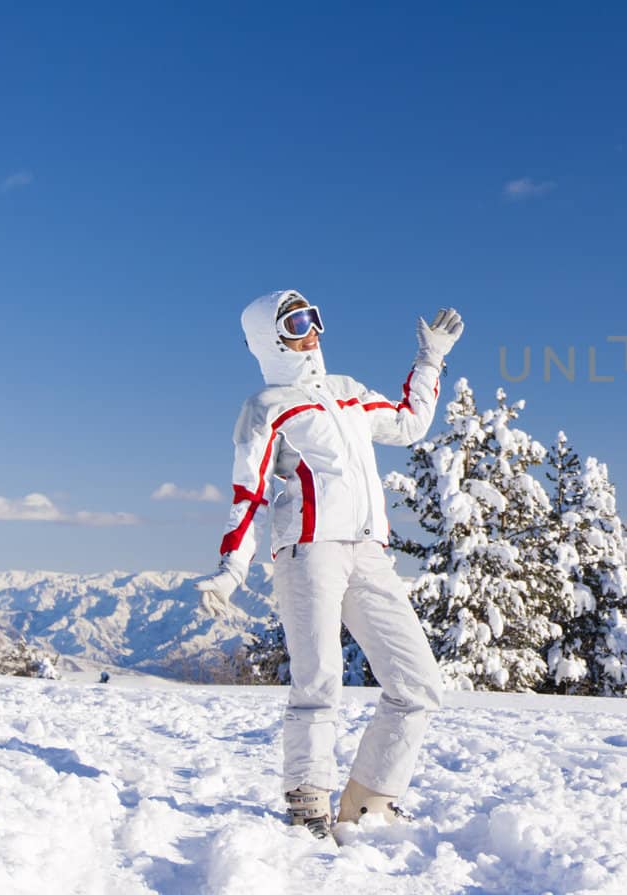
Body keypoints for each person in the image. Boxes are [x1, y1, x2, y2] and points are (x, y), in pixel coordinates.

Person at [193, 289, 462, 839]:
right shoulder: (267, 407)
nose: (311, 329)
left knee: (417, 684)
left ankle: (368, 801)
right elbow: (249, 495)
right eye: (295, 321)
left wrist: (430, 359)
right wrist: (232, 569)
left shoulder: (349, 394)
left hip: (369, 553)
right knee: (318, 682)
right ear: (272, 336)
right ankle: (307, 800)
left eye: (314, 317)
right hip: (307, 552)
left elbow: (409, 424)